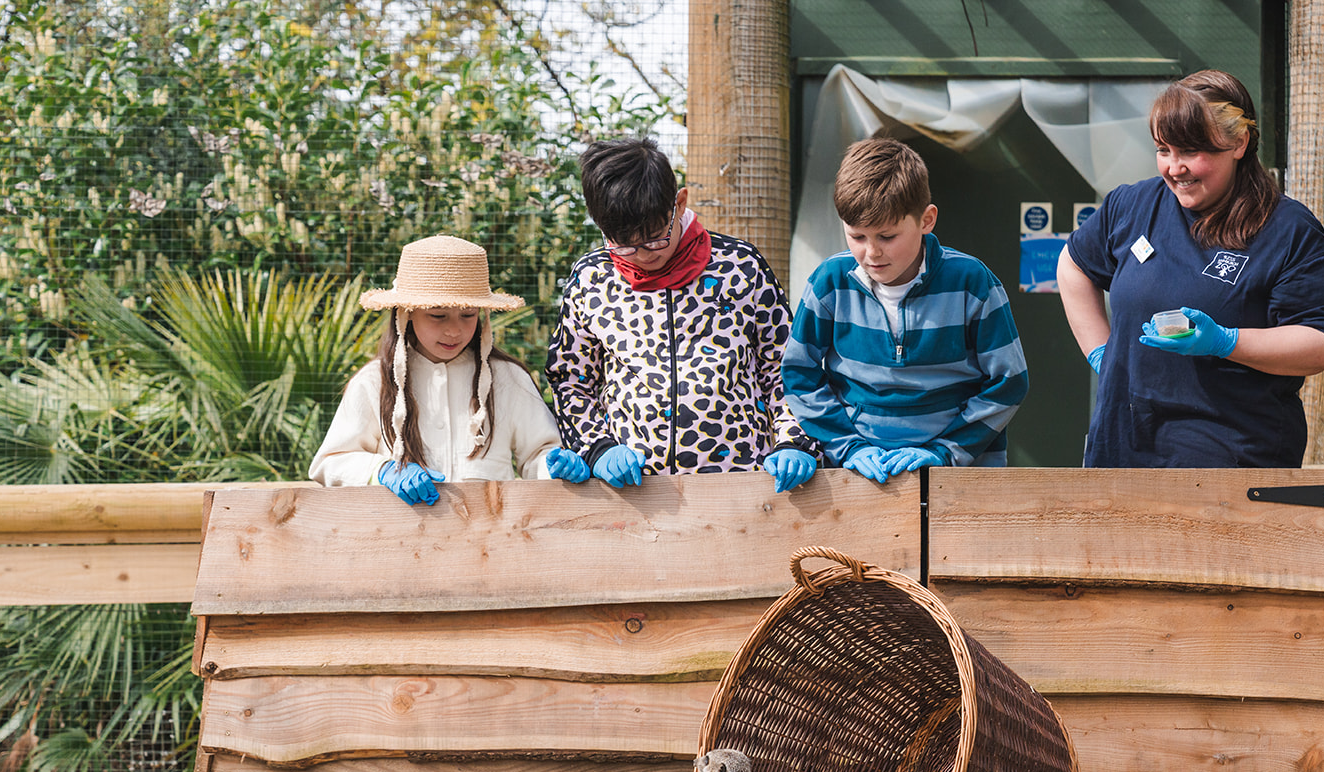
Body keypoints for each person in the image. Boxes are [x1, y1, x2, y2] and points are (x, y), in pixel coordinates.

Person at [1057, 69, 1324, 468]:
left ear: (1239, 143)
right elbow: (1073, 265)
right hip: (1123, 447)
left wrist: (1227, 341)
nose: (1175, 168)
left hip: (1232, 457)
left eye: (1192, 151)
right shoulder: (1132, 205)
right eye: (1164, 150)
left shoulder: (1288, 229)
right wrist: (1101, 354)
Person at [544, 137, 817, 494]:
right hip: (634, 493)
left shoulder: (741, 267)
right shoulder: (591, 279)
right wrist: (598, 448)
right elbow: (571, 378)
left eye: (655, 238)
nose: (642, 254)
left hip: (741, 485)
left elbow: (785, 368)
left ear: (680, 203)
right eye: (624, 243)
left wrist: (793, 441)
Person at [782, 137, 1028, 483]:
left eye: (887, 236)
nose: (871, 253)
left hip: (960, 478)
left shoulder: (972, 282)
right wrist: (848, 447)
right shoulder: (829, 283)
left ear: (926, 220)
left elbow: (1009, 381)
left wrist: (944, 451)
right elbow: (798, 373)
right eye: (857, 236)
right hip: (859, 476)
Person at [310, 234, 575, 504]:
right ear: (407, 312)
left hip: (493, 540)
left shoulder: (507, 378)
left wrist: (553, 466)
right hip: (400, 540)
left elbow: (539, 454)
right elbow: (330, 463)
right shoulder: (374, 382)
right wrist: (381, 471)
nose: (454, 330)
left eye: (468, 315)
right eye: (437, 315)